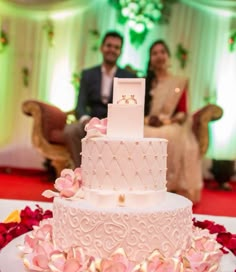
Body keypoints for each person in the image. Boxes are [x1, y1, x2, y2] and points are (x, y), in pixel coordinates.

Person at [64, 31, 136, 167]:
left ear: (120, 51)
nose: (112, 50)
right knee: (71, 130)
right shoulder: (88, 74)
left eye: (116, 47)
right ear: (102, 47)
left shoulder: (129, 77)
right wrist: (86, 120)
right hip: (91, 121)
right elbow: (80, 104)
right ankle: (81, 172)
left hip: (116, 124)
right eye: (109, 45)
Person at [144, 40, 203, 203]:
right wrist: (149, 119)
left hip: (171, 123)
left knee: (172, 136)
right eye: (154, 53)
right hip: (147, 123)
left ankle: (171, 188)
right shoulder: (145, 81)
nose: (159, 56)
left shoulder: (179, 81)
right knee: (142, 134)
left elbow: (183, 112)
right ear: (150, 59)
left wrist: (168, 120)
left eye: (162, 52)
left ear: (168, 56)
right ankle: (145, 187)